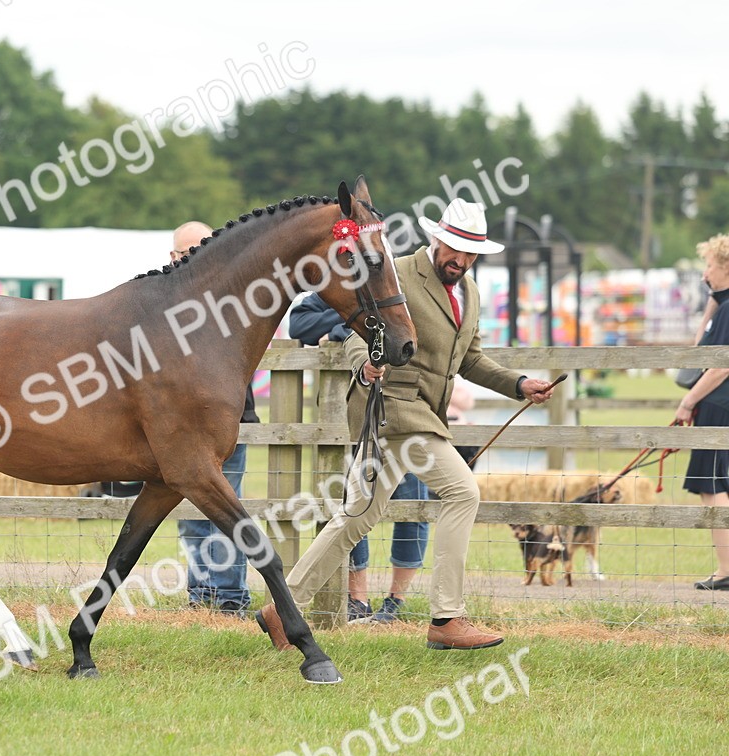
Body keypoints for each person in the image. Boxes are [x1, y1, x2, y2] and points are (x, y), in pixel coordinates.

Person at [258, 198, 555, 651]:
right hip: (394, 409)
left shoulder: (469, 294)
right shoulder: (394, 273)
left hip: (420, 415)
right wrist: (364, 365)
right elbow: (356, 329)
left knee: (356, 518)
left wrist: (518, 384)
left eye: (471, 252)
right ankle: (446, 618)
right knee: (463, 490)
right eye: (454, 248)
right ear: (436, 239)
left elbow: (470, 359)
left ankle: (281, 609)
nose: (461, 259)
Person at [288, 294, 429, 624]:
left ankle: (395, 602)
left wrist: (340, 329)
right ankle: (358, 600)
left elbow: (412, 332)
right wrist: (351, 324)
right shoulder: (340, 289)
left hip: (409, 411)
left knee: (414, 504)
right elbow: (299, 323)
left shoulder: (408, 288)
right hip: (358, 416)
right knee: (356, 504)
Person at [172, 220, 259, 615]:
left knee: (226, 509)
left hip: (225, 421)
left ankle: (229, 598)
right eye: (182, 253)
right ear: (172, 257)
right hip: (177, 426)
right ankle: (200, 594)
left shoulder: (232, 299)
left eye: (197, 251)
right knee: (191, 515)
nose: (188, 259)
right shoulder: (159, 299)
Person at [677, 233, 729, 591]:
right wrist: (713, 300)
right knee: (716, 485)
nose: (704, 273)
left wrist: (687, 401)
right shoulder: (722, 307)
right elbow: (699, 348)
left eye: (709, 265)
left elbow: (719, 366)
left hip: (718, 404)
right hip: (717, 403)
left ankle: (726, 570)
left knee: (713, 486)